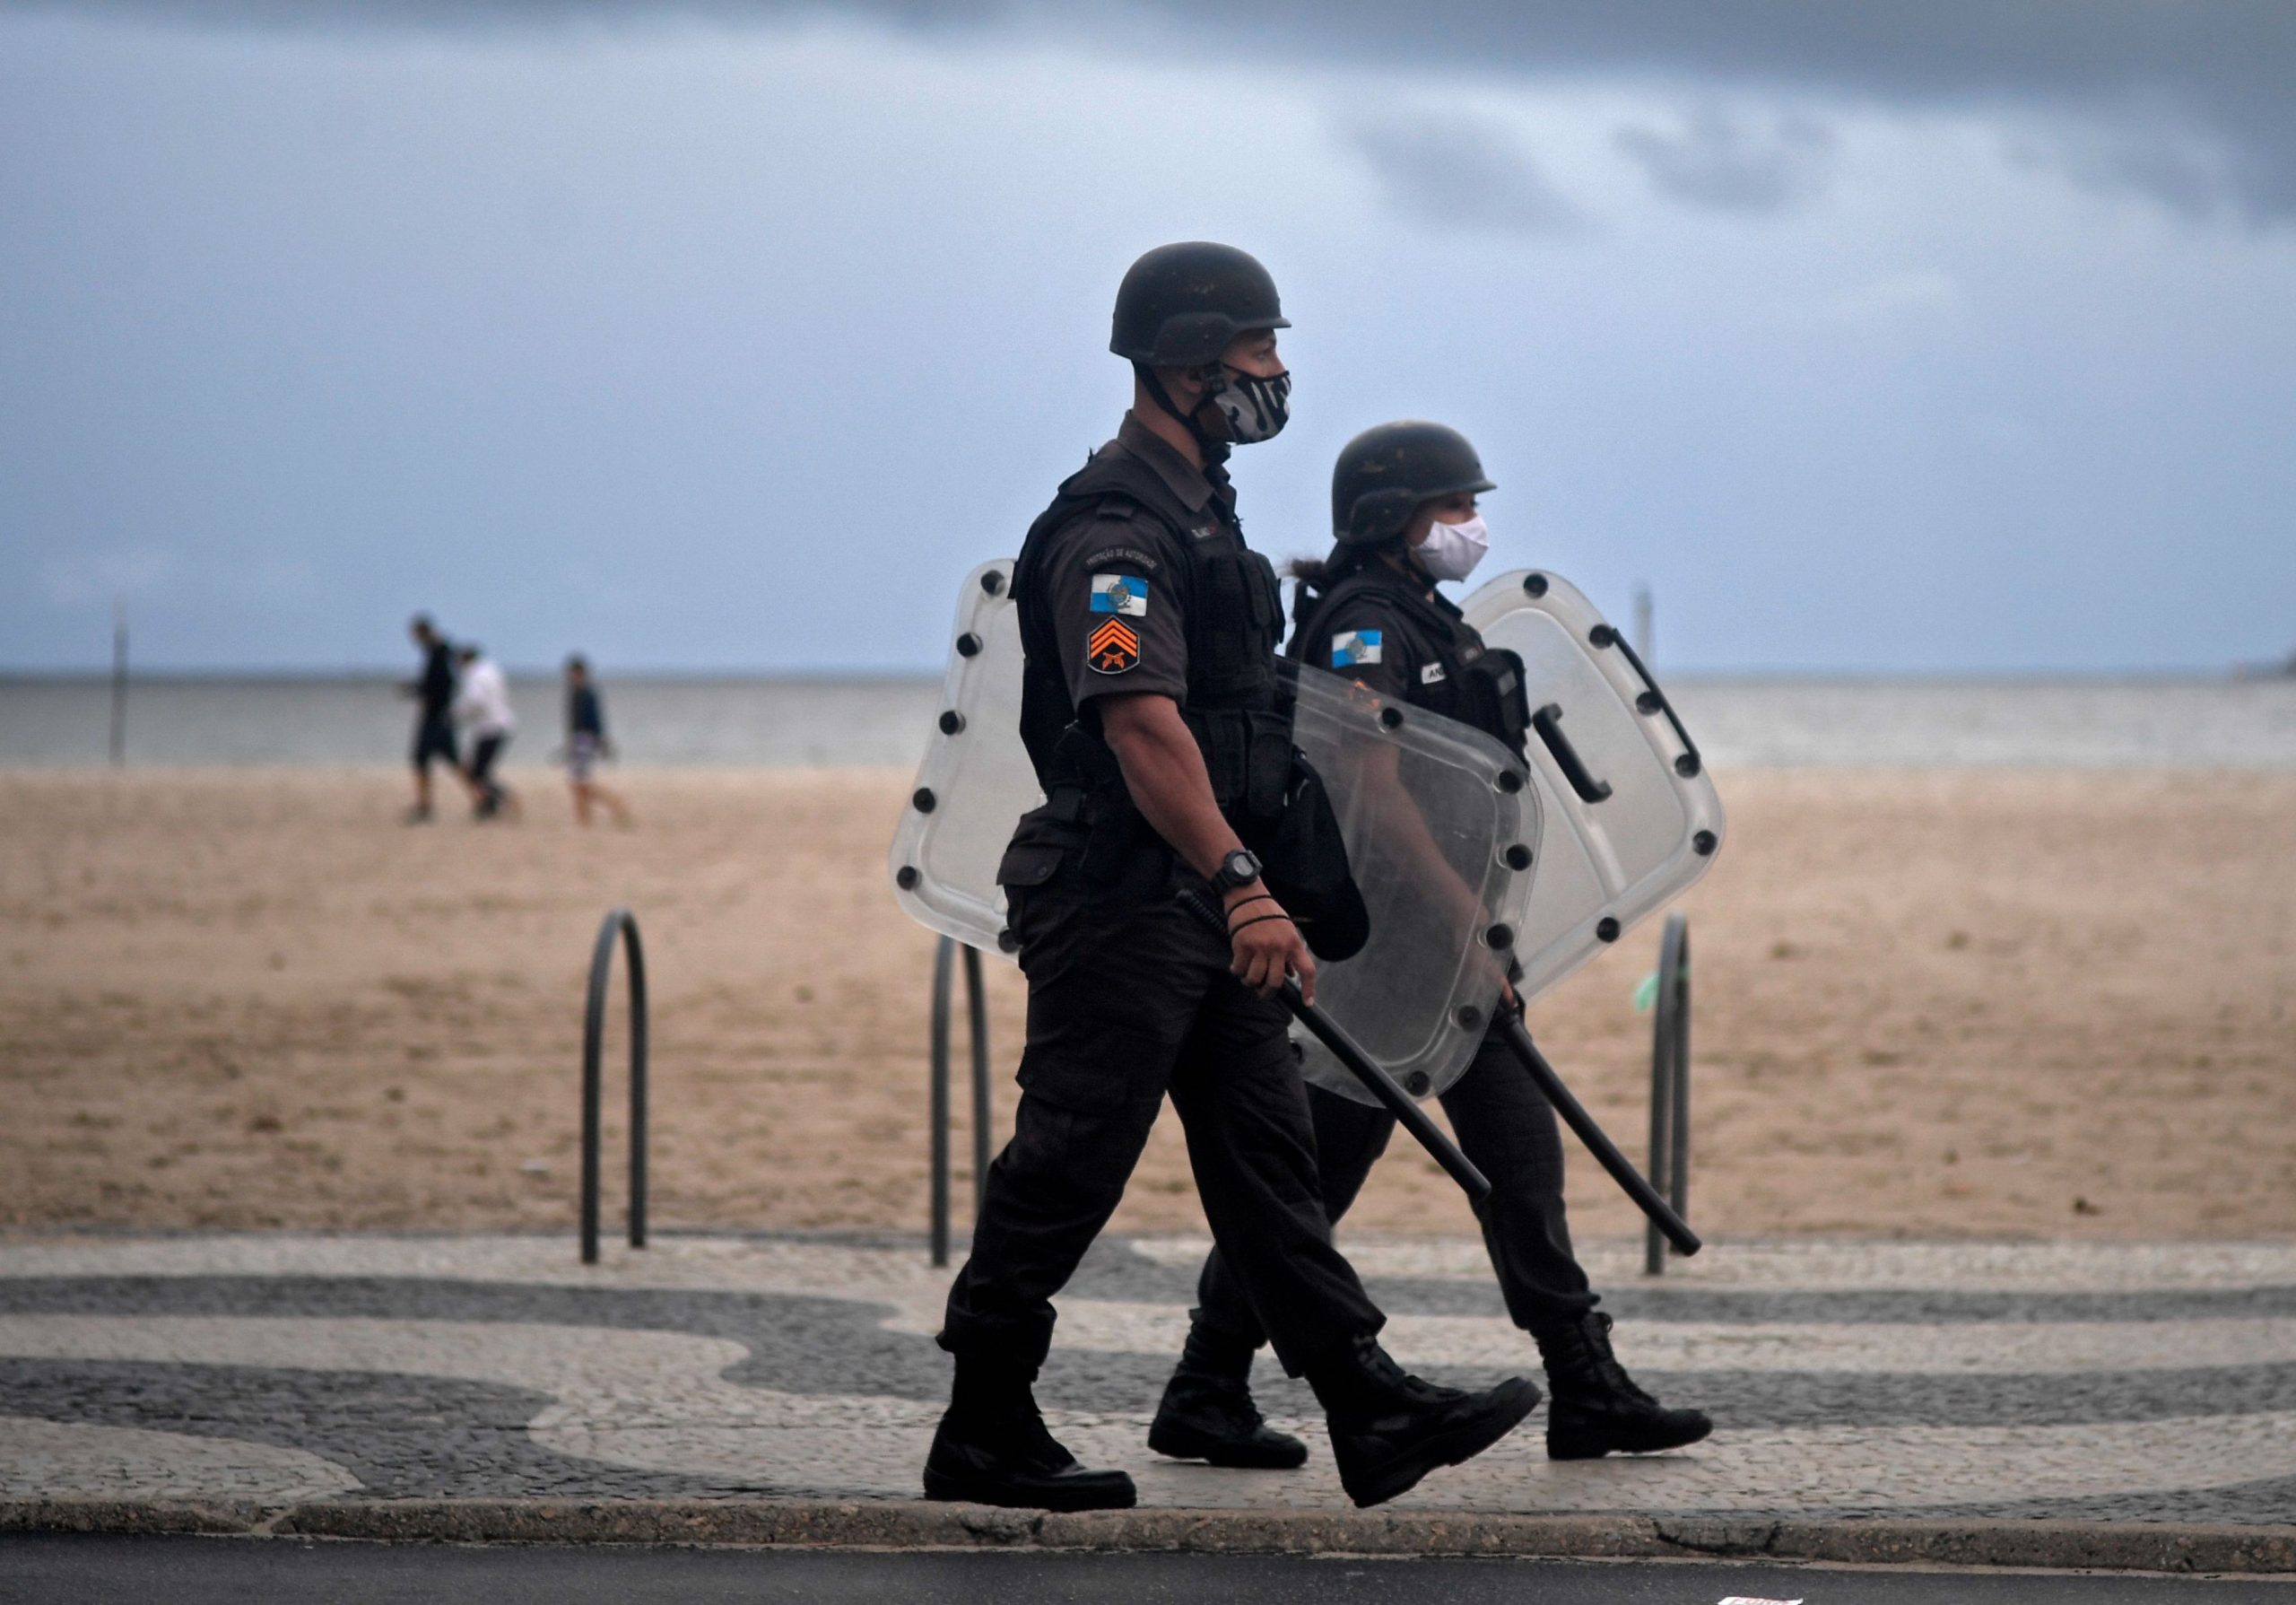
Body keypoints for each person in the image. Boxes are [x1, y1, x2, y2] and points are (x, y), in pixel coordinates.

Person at [926, 245, 1538, 1514]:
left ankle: (1367, 1406)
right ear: (1189, 364)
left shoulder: (1202, 506)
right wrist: (1246, 881)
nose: (1276, 374)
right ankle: (983, 1416)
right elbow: (1140, 723)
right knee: (1070, 1162)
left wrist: (1244, 886)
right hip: (1122, 895)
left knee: (1269, 1160)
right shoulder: (1117, 526)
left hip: (1198, 898)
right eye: (1258, 353)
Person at [1147, 421, 1713, 1470]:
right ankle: (1577, 1384)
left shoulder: (1418, 615)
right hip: (1394, 953)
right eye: (1452, 508)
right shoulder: (1366, 626)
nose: (1469, 526)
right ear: (1391, 516)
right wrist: (1469, 922)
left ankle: (1209, 1383)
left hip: (1417, 951)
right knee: (1453, 1159)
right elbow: (1374, 785)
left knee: (1371, 1171)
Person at [402, 615, 465, 824]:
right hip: (438, 715)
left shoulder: (439, 653)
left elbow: (441, 685)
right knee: (426, 760)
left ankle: (426, 805)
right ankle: (424, 804)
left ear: (423, 633)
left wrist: (420, 691)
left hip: (437, 716)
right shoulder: (439, 652)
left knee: (445, 760)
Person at [562, 656, 632, 827]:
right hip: (578, 740)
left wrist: (600, 742)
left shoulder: (587, 694)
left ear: (579, 673)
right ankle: (584, 821)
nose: (570, 676)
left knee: (581, 784)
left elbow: (596, 721)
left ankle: (615, 805)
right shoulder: (575, 693)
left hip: (585, 741)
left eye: (572, 673)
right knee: (577, 785)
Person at [452, 644, 519, 821]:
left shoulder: (475, 675)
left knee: (477, 772)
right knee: (480, 771)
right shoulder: (491, 670)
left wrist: (456, 714)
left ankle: (504, 799)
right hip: (501, 724)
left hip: (489, 728)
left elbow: (475, 700)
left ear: (464, 660)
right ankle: (490, 805)